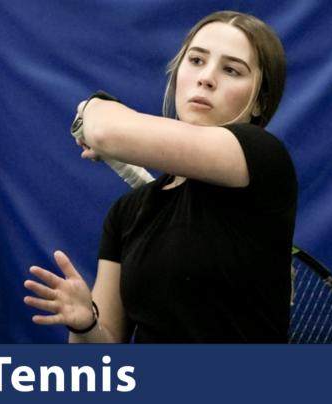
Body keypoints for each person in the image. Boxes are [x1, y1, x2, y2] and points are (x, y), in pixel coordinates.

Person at [23, 10, 296, 343]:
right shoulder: (125, 214)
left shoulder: (262, 156)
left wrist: (92, 105)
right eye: (196, 60)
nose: (207, 77)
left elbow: (106, 132)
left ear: (260, 102)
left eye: (231, 70)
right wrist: (85, 325)